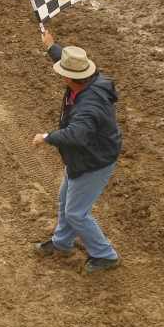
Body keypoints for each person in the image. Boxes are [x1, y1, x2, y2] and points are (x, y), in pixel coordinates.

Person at [33, 32, 122, 274]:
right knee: (65, 202)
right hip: (81, 157)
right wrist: (52, 47)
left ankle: (105, 255)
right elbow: (68, 61)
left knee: (76, 212)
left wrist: (47, 137)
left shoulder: (89, 107)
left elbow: (76, 135)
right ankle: (62, 243)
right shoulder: (89, 79)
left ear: (71, 78)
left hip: (94, 162)